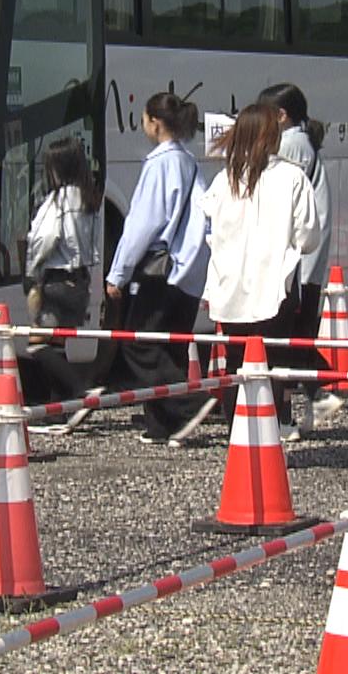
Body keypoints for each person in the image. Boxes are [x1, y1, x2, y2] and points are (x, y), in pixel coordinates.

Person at [197, 103, 322, 440]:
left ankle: (237, 429)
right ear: (270, 136)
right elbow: (309, 237)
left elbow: (208, 225)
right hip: (275, 285)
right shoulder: (292, 177)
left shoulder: (225, 179)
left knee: (236, 360)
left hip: (230, 286)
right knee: (273, 359)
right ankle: (275, 425)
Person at [103, 93, 211, 445]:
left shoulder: (159, 164)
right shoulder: (191, 163)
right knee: (171, 345)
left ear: (155, 122)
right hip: (187, 269)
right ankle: (165, 425)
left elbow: (142, 225)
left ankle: (189, 403)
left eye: (143, 118)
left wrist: (118, 272)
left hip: (158, 269)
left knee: (140, 343)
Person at [257, 83, 342, 434]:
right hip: (307, 259)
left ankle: (313, 395)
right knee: (296, 336)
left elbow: (275, 191)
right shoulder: (302, 140)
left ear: (281, 116)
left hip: (298, 260)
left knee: (289, 339)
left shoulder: (291, 143)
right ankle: (312, 398)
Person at [22, 139, 104, 426]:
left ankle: (80, 390)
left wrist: (32, 270)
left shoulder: (56, 201)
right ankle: (57, 410)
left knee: (37, 345)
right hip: (80, 283)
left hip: (56, 281)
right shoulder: (89, 198)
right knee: (56, 346)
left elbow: (44, 238)